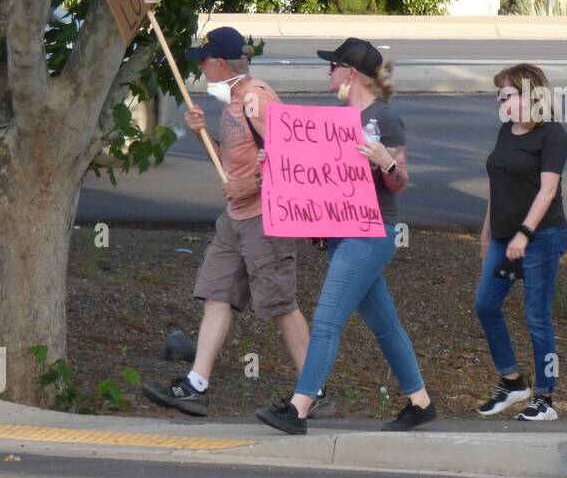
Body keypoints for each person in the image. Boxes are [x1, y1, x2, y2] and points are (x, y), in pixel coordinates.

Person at [254, 38, 436, 434]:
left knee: (326, 320)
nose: (328, 73)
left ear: (350, 73)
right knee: (384, 323)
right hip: (342, 231)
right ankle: (420, 401)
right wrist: (276, 161)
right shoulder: (336, 118)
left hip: (371, 232)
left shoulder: (384, 120)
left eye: (332, 66)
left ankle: (299, 408)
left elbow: (400, 183)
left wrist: (385, 161)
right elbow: (315, 173)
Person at [141, 27, 312, 417]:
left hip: (264, 221)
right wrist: (202, 134)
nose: (199, 68)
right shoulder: (233, 103)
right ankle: (196, 385)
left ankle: (312, 387)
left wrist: (250, 187)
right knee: (217, 293)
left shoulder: (257, 100)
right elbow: (228, 162)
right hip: (234, 220)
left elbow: (291, 158)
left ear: (220, 63)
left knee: (281, 303)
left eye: (202, 61)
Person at [474, 64, 567, 422]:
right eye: (499, 94)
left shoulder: (553, 135)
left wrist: (524, 233)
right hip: (504, 237)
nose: (501, 100)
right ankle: (513, 381)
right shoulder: (506, 131)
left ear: (531, 95)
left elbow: (548, 190)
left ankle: (546, 396)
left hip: (541, 237)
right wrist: (487, 233)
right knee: (485, 305)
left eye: (507, 94)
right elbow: (495, 187)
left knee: (537, 316)